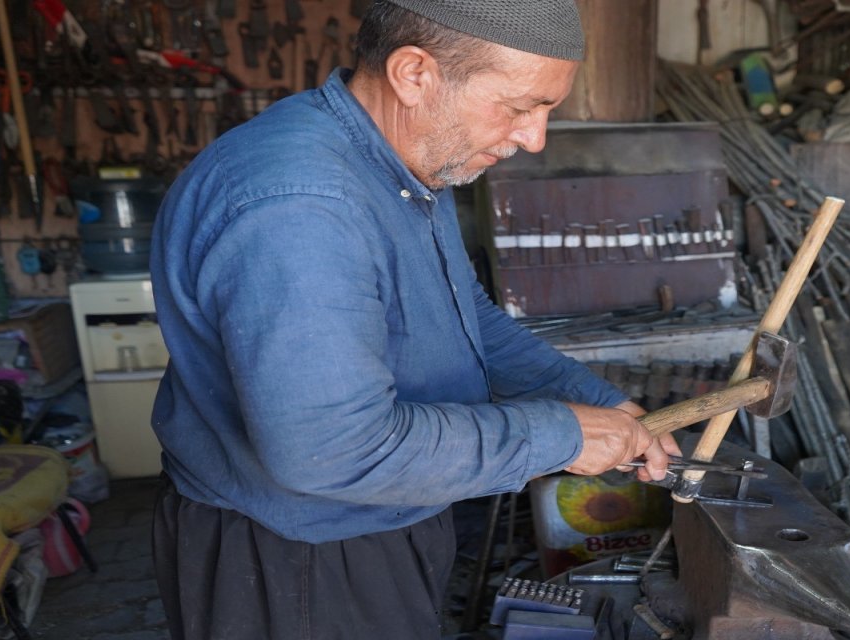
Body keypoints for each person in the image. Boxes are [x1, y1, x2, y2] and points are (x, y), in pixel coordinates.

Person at [148, 1, 678, 637]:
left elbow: (465, 319)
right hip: (296, 557)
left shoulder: (400, 162)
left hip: (383, 514)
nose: (534, 138)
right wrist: (559, 435)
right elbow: (330, 452)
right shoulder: (301, 207)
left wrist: (597, 403)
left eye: (547, 110)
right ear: (414, 73)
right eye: (518, 107)